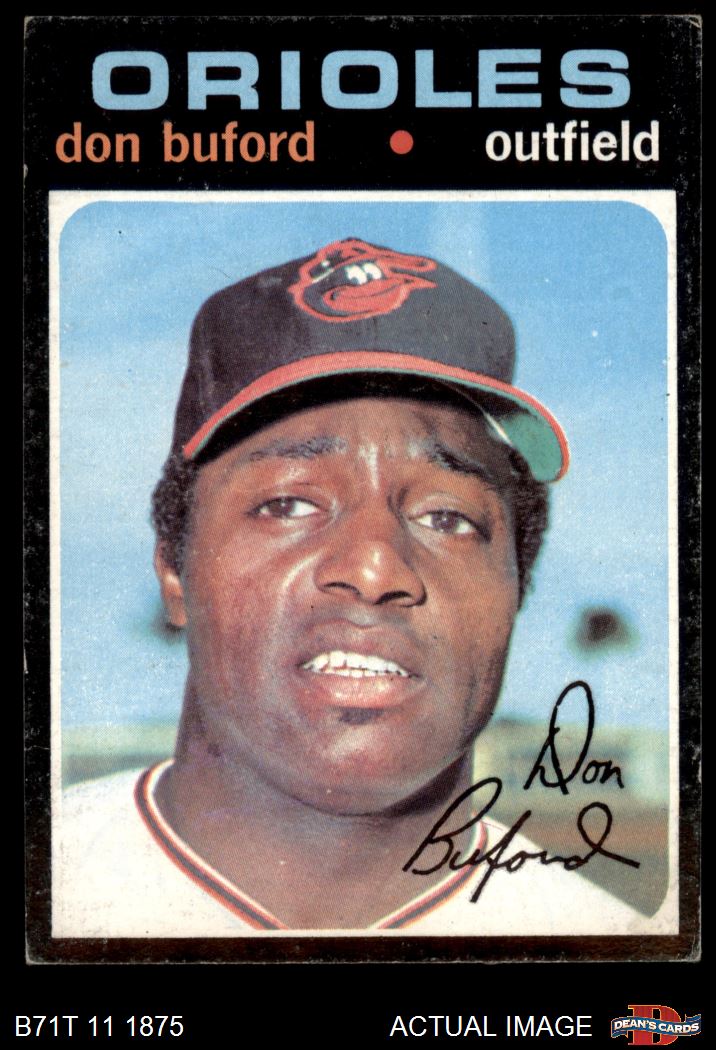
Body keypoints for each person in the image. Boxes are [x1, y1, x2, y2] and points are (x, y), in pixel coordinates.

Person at [54, 237, 650, 936]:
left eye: (447, 517)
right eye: (288, 504)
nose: (374, 568)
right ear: (174, 570)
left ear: (518, 584)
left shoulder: (613, 950)